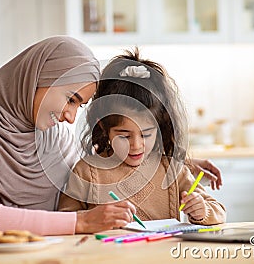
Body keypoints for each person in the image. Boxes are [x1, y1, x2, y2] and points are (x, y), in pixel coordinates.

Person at [0, 36, 222, 236]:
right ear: (39, 77)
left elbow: (103, 167)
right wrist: (82, 221)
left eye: (80, 105)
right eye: (70, 99)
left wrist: (171, 161)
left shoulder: (53, 133)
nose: (71, 117)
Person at [58, 48, 226, 225]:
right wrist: (90, 220)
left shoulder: (173, 170)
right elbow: (66, 219)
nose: (136, 145)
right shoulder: (86, 172)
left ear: (159, 128)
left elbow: (219, 212)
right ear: (103, 127)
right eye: (124, 136)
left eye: (146, 134)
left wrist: (202, 211)